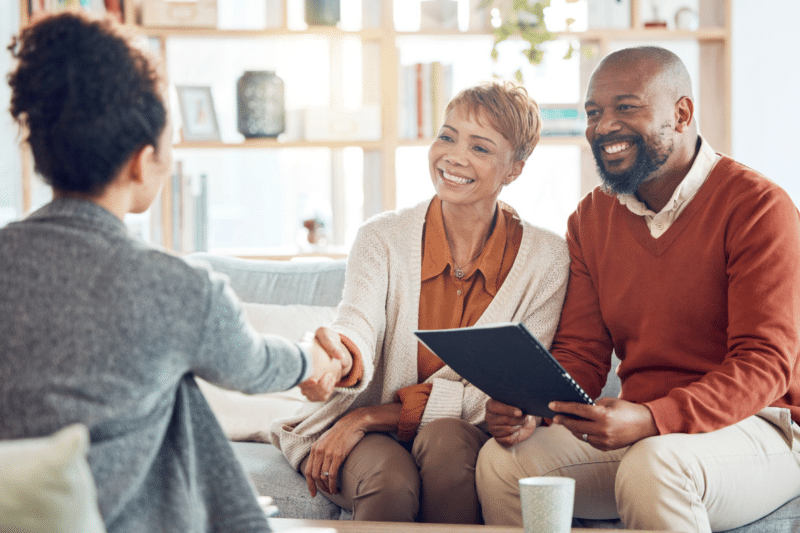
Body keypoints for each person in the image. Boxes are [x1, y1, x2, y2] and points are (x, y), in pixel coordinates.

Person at [0, 12, 350, 533]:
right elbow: (254, 366)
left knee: (174, 384)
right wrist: (314, 358)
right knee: (180, 388)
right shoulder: (176, 289)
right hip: (112, 519)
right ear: (142, 162)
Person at [476, 46, 800, 533]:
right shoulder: (590, 218)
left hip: (761, 427)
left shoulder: (758, 207)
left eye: (626, 107)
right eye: (594, 112)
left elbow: (765, 365)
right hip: (644, 430)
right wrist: (532, 408)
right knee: (504, 463)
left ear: (681, 113)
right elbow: (583, 353)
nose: (604, 126)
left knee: (655, 466)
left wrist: (653, 418)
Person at [269, 80, 570, 523]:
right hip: (365, 429)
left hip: (458, 433)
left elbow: (508, 389)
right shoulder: (381, 238)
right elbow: (357, 327)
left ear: (515, 169)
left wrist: (372, 416)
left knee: (448, 445)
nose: (454, 156)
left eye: (480, 148)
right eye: (447, 136)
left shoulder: (547, 259)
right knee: (390, 482)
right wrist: (335, 362)